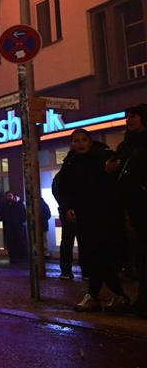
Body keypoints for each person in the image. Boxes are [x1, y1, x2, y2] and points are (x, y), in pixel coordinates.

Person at [54, 128, 129, 312]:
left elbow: (110, 185)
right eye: (76, 141)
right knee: (95, 257)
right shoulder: (70, 162)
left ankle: (102, 296)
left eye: (83, 140)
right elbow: (61, 187)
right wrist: (67, 206)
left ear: (90, 141)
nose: (80, 144)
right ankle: (112, 295)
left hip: (104, 215)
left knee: (98, 255)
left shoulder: (103, 157)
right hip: (84, 216)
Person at [108, 104, 147, 317]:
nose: (129, 120)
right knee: (139, 254)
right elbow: (116, 167)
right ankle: (143, 300)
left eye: (134, 116)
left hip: (141, 202)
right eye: (127, 116)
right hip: (131, 205)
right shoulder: (126, 145)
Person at [0, 192, 27, 263]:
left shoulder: (18, 204)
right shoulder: (4, 205)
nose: (9, 197)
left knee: (18, 241)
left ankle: (21, 256)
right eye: (8, 196)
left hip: (17, 226)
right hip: (9, 227)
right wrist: (4, 219)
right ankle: (13, 257)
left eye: (10, 196)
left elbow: (24, 214)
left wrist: (20, 221)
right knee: (11, 242)